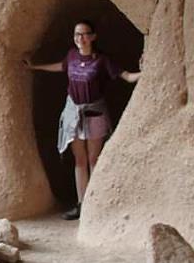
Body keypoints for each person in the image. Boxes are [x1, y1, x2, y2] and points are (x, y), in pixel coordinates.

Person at [22, 20, 141, 220]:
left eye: (85, 34)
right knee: (80, 160)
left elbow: (127, 77)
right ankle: (82, 205)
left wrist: (148, 71)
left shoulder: (101, 60)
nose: (80, 38)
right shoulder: (72, 56)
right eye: (77, 34)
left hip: (94, 113)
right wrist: (34, 67)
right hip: (73, 113)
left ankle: (96, 204)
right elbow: (60, 66)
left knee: (94, 159)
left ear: (93, 37)